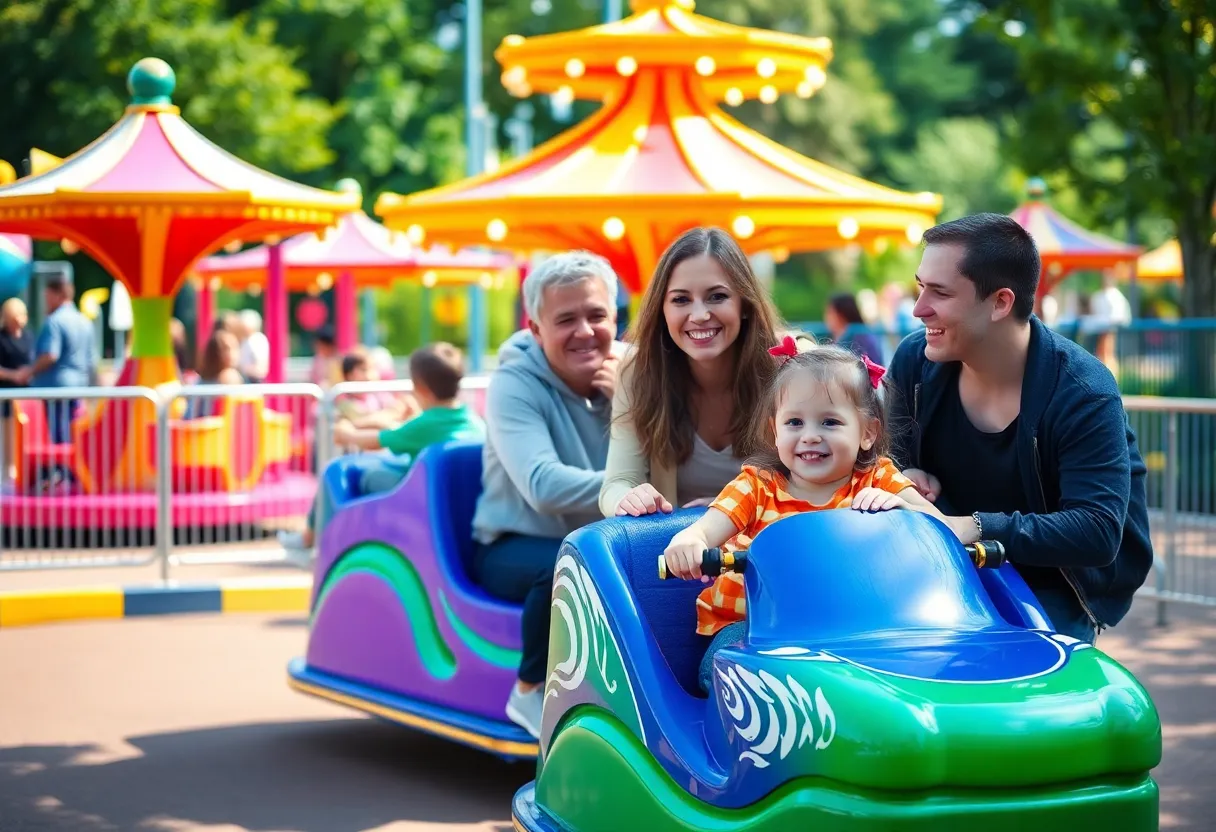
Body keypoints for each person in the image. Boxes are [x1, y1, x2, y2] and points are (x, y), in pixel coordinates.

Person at [887, 213, 1153, 644]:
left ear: (1000, 303)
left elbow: (1097, 530)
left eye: (940, 292)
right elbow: (885, 462)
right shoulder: (914, 361)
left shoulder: (1083, 390)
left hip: (1051, 586)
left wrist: (975, 525)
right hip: (943, 570)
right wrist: (903, 476)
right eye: (920, 287)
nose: (918, 309)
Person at [663, 344, 943, 693]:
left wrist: (901, 511)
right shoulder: (757, 486)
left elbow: (940, 528)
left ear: (867, 433)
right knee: (730, 672)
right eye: (794, 422)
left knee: (903, 665)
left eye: (830, 422)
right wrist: (689, 542)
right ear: (775, 431)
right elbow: (705, 531)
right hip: (753, 625)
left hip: (851, 627)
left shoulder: (877, 479)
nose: (810, 435)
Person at [471, 250, 621, 738]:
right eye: (566, 320)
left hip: (598, 540)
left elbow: (674, 457)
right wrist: (635, 491)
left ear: (614, 318)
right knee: (568, 563)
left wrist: (631, 402)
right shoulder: (513, 384)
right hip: (516, 544)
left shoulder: (632, 373)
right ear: (536, 330)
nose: (585, 331)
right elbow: (542, 485)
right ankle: (529, 688)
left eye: (596, 315)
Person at [599, 227, 784, 519]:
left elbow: (832, 482)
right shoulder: (638, 371)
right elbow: (616, 484)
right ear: (662, 310)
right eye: (681, 300)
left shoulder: (790, 366)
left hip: (776, 541)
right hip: (681, 544)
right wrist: (628, 498)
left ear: (745, 304)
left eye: (717, 296)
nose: (699, 315)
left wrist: (735, 509)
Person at [280, 342, 483, 558]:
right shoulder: (473, 421)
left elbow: (378, 441)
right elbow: (407, 432)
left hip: (420, 492)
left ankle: (323, 541)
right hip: (449, 495)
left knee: (355, 476)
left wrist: (348, 434)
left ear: (421, 389)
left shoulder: (426, 423)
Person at [29, 276, 96, 444]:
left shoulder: (54, 321)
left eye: (47, 296)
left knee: (59, 436)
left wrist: (29, 371)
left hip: (56, 389)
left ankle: (62, 460)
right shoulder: (85, 321)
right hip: (79, 386)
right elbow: (91, 359)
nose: (46, 301)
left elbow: (50, 355)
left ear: (57, 295)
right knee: (75, 433)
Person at [0, 298, 34, 473]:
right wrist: (14, 375)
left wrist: (28, 372)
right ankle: (9, 467)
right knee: (7, 432)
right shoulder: (2, 338)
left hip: (25, 393)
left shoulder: (29, 336)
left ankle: (23, 467)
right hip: (6, 393)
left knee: (25, 431)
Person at [186, 330, 244, 419]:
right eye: (227, 349)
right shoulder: (228, 376)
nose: (233, 353)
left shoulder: (200, 381)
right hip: (206, 425)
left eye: (235, 347)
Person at [824, 292, 884, 364]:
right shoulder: (841, 337)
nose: (826, 317)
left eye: (830, 312)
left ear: (841, 314)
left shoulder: (857, 338)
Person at [236, 309, 270, 383]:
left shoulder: (258, 339)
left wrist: (241, 369)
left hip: (253, 381)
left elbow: (260, 369)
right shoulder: (243, 340)